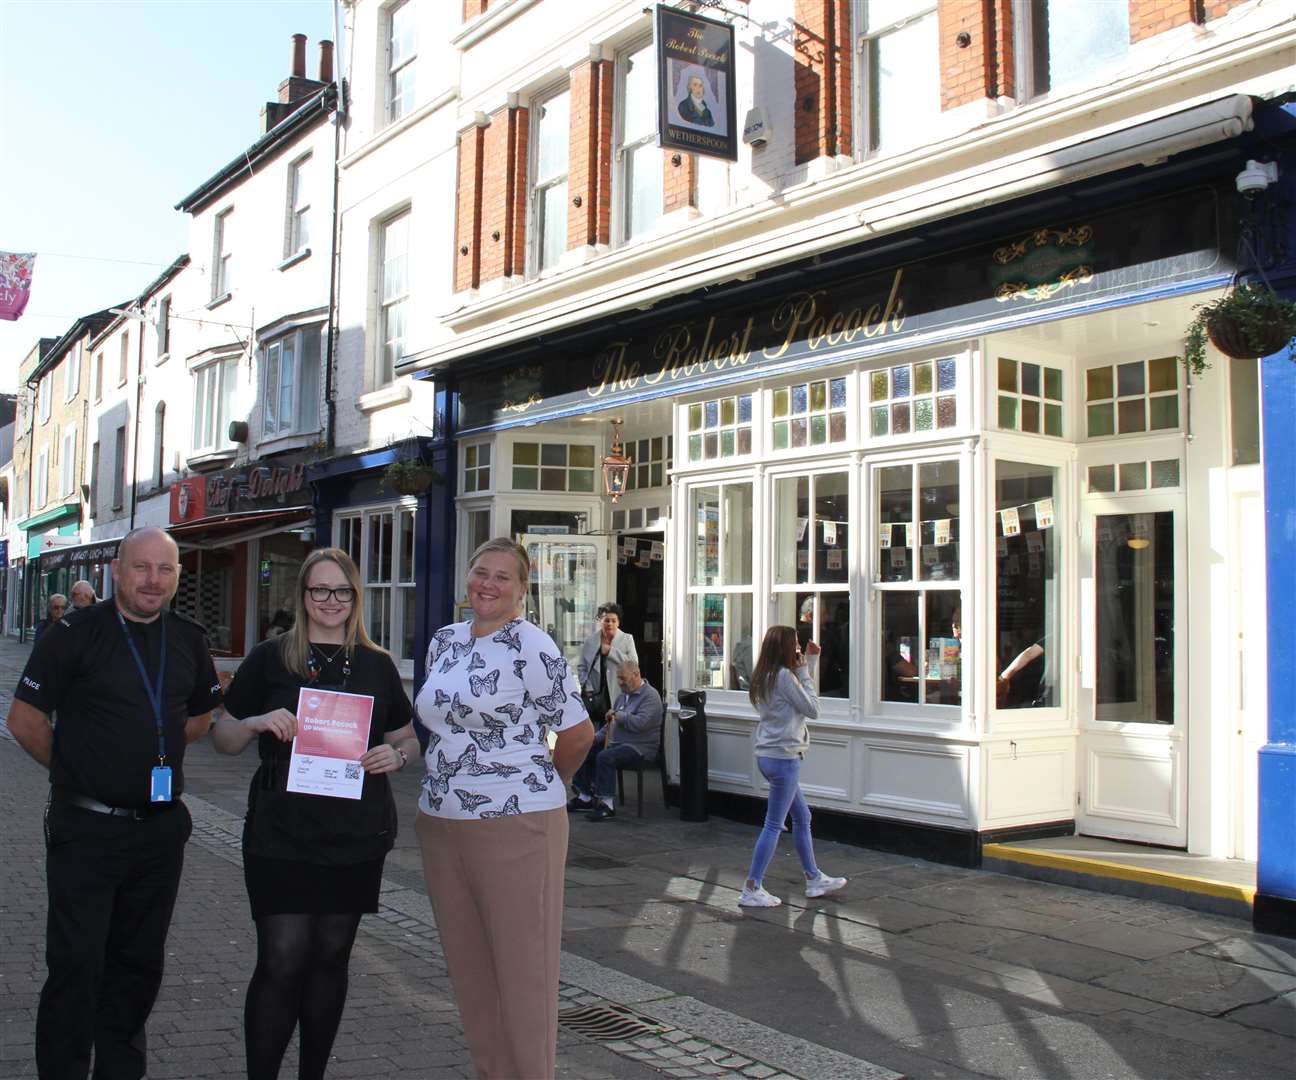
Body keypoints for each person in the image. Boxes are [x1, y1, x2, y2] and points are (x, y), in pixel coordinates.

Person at [8, 526, 223, 1080]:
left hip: (158, 832)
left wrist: (155, 750)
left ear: (177, 577)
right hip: (87, 828)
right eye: (142, 567)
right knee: (75, 966)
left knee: (138, 967)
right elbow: (25, 720)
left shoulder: (188, 638)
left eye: (166, 570)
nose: (153, 580)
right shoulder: (73, 633)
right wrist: (78, 769)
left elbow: (199, 715)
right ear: (117, 570)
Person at [212, 548, 417, 1080]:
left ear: (356, 597)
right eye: (319, 591)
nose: (331, 602)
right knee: (281, 958)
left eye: (342, 591)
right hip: (281, 833)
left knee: (330, 959)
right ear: (302, 597)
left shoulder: (377, 665)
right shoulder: (270, 657)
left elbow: (406, 738)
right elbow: (224, 738)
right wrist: (256, 721)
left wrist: (396, 755)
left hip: (355, 834)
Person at [415, 537, 593, 1080]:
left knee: (523, 970)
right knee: (469, 965)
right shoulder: (445, 641)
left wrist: (545, 785)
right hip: (441, 820)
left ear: (521, 590)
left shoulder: (532, 645)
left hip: (516, 821)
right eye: (479, 572)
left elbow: (578, 732)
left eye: (502, 577)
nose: (487, 584)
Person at [738, 625, 847, 909]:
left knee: (803, 816)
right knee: (773, 825)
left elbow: (795, 701)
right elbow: (812, 708)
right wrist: (805, 671)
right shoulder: (785, 676)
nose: (798, 648)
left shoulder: (764, 676)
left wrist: (808, 664)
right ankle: (752, 886)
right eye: (795, 644)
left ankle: (813, 877)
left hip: (768, 754)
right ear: (785, 647)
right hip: (784, 758)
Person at [568, 660, 663, 821]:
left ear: (636, 674)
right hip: (618, 743)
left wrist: (619, 716)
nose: (620, 683)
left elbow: (641, 724)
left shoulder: (650, 696)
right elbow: (610, 724)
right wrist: (595, 738)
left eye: (623, 678)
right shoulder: (623, 696)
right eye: (618, 678)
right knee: (585, 749)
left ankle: (607, 805)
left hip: (639, 747)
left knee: (606, 757)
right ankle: (585, 797)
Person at [577, 602, 638, 725]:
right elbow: (581, 667)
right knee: (597, 731)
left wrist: (611, 651)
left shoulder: (627, 639)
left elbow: (634, 664)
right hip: (596, 695)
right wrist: (588, 687)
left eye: (613, 620)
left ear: (618, 622)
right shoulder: (590, 641)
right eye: (606, 620)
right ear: (600, 621)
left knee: (617, 729)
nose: (610, 624)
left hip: (618, 693)